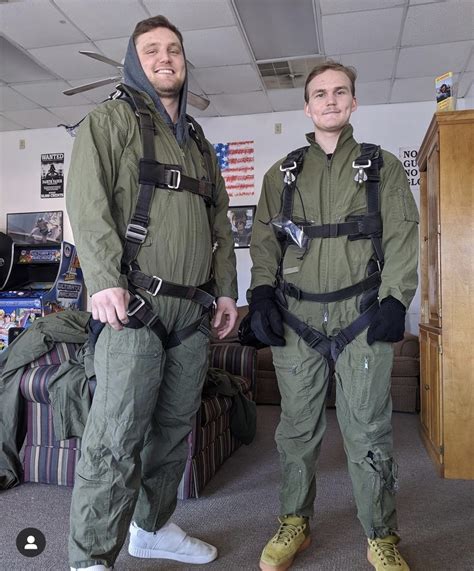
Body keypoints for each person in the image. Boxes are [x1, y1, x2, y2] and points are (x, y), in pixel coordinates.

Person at [66, 15, 238, 571]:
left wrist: (227, 292)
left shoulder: (198, 143)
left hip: (192, 313)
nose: (165, 58)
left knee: (170, 436)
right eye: (151, 50)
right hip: (132, 309)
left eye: (174, 50)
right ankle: (90, 557)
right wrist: (102, 281)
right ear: (132, 61)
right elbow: (86, 206)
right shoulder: (108, 120)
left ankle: (153, 527)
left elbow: (219, 223)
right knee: (115, 440)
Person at [248, 61, 418, 571]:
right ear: (307, 106)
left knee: (368, 430)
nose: (329, 100)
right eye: (319, 93)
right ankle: (294, 522)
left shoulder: (381, 166)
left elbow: (403, 236)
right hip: (297, 319)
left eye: (339, 92)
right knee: (296, 430)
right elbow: (263, 241)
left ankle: (380, 535)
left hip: (362, 315)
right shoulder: (282, 173)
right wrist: (259, 295)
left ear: (353, 103)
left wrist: (396, 298)